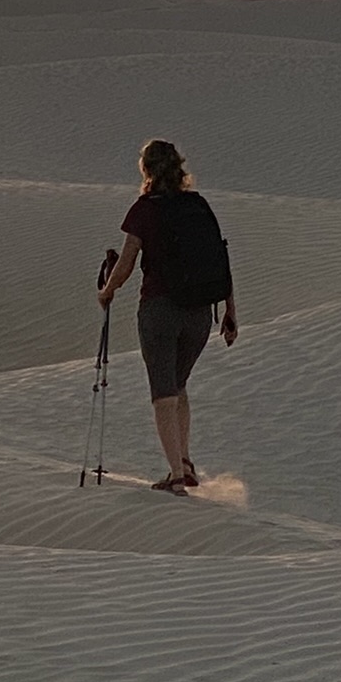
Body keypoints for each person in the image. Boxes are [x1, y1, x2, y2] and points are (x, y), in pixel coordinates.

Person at [96, 139, 237, 493]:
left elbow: (126, 264)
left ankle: (175, 475)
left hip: (161, 310)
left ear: (146, 169)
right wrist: (231, 311)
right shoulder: (198, 204)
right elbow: (219, 257)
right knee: (179, 385)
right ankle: (185, 462)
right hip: (200, 313)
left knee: (163, 393)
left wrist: (107, 291)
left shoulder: (145, 209)